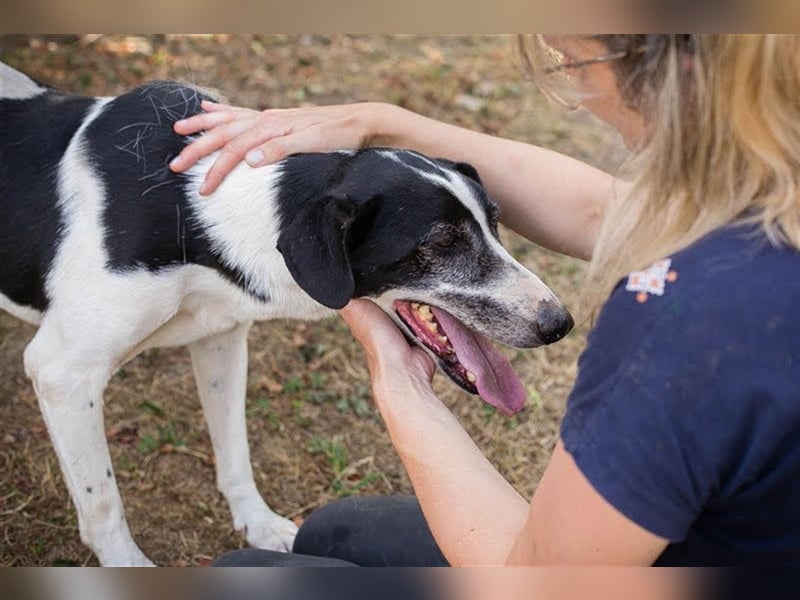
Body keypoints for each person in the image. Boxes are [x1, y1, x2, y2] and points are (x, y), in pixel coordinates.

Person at [170, 35, 800, 566]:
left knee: (243, 572)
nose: (581, 102)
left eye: (573, 65)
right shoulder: (770, 207)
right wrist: (381, 122)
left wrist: (402, 389)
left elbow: (534, 580)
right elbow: (600, 208)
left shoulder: (687, 334)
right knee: (335, 533)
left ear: (679, 76)